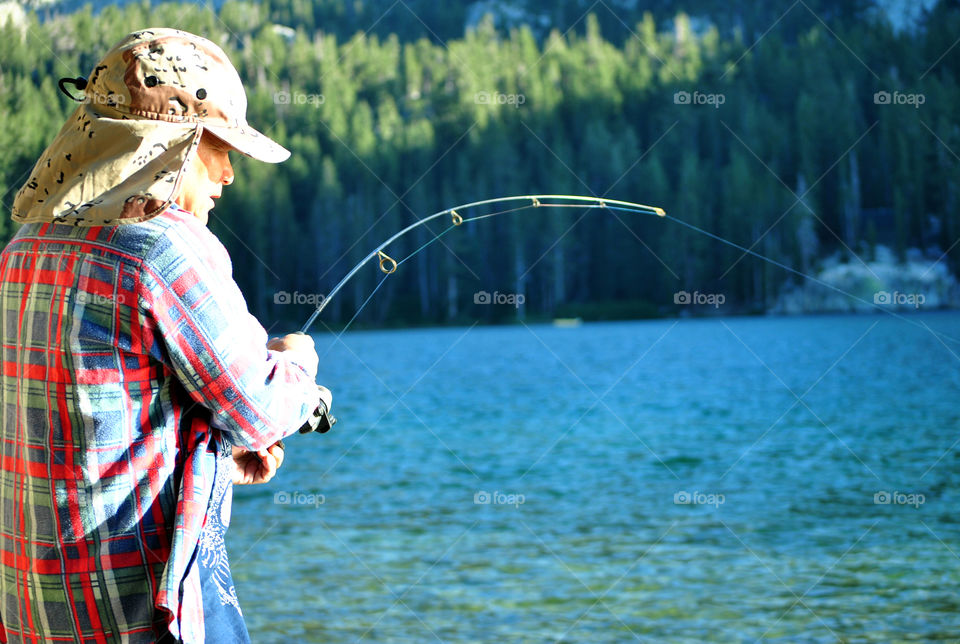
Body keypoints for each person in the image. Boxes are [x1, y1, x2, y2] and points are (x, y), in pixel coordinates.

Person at [0, 28, 330, 643]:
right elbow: (258, 405)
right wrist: (299, 368)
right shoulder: (165, 250)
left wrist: (216, 459)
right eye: (218, 146)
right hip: (131, 613)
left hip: (31, 608)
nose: (229, 173)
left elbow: (88, 428)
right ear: (168, 146)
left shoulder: (25, 249)